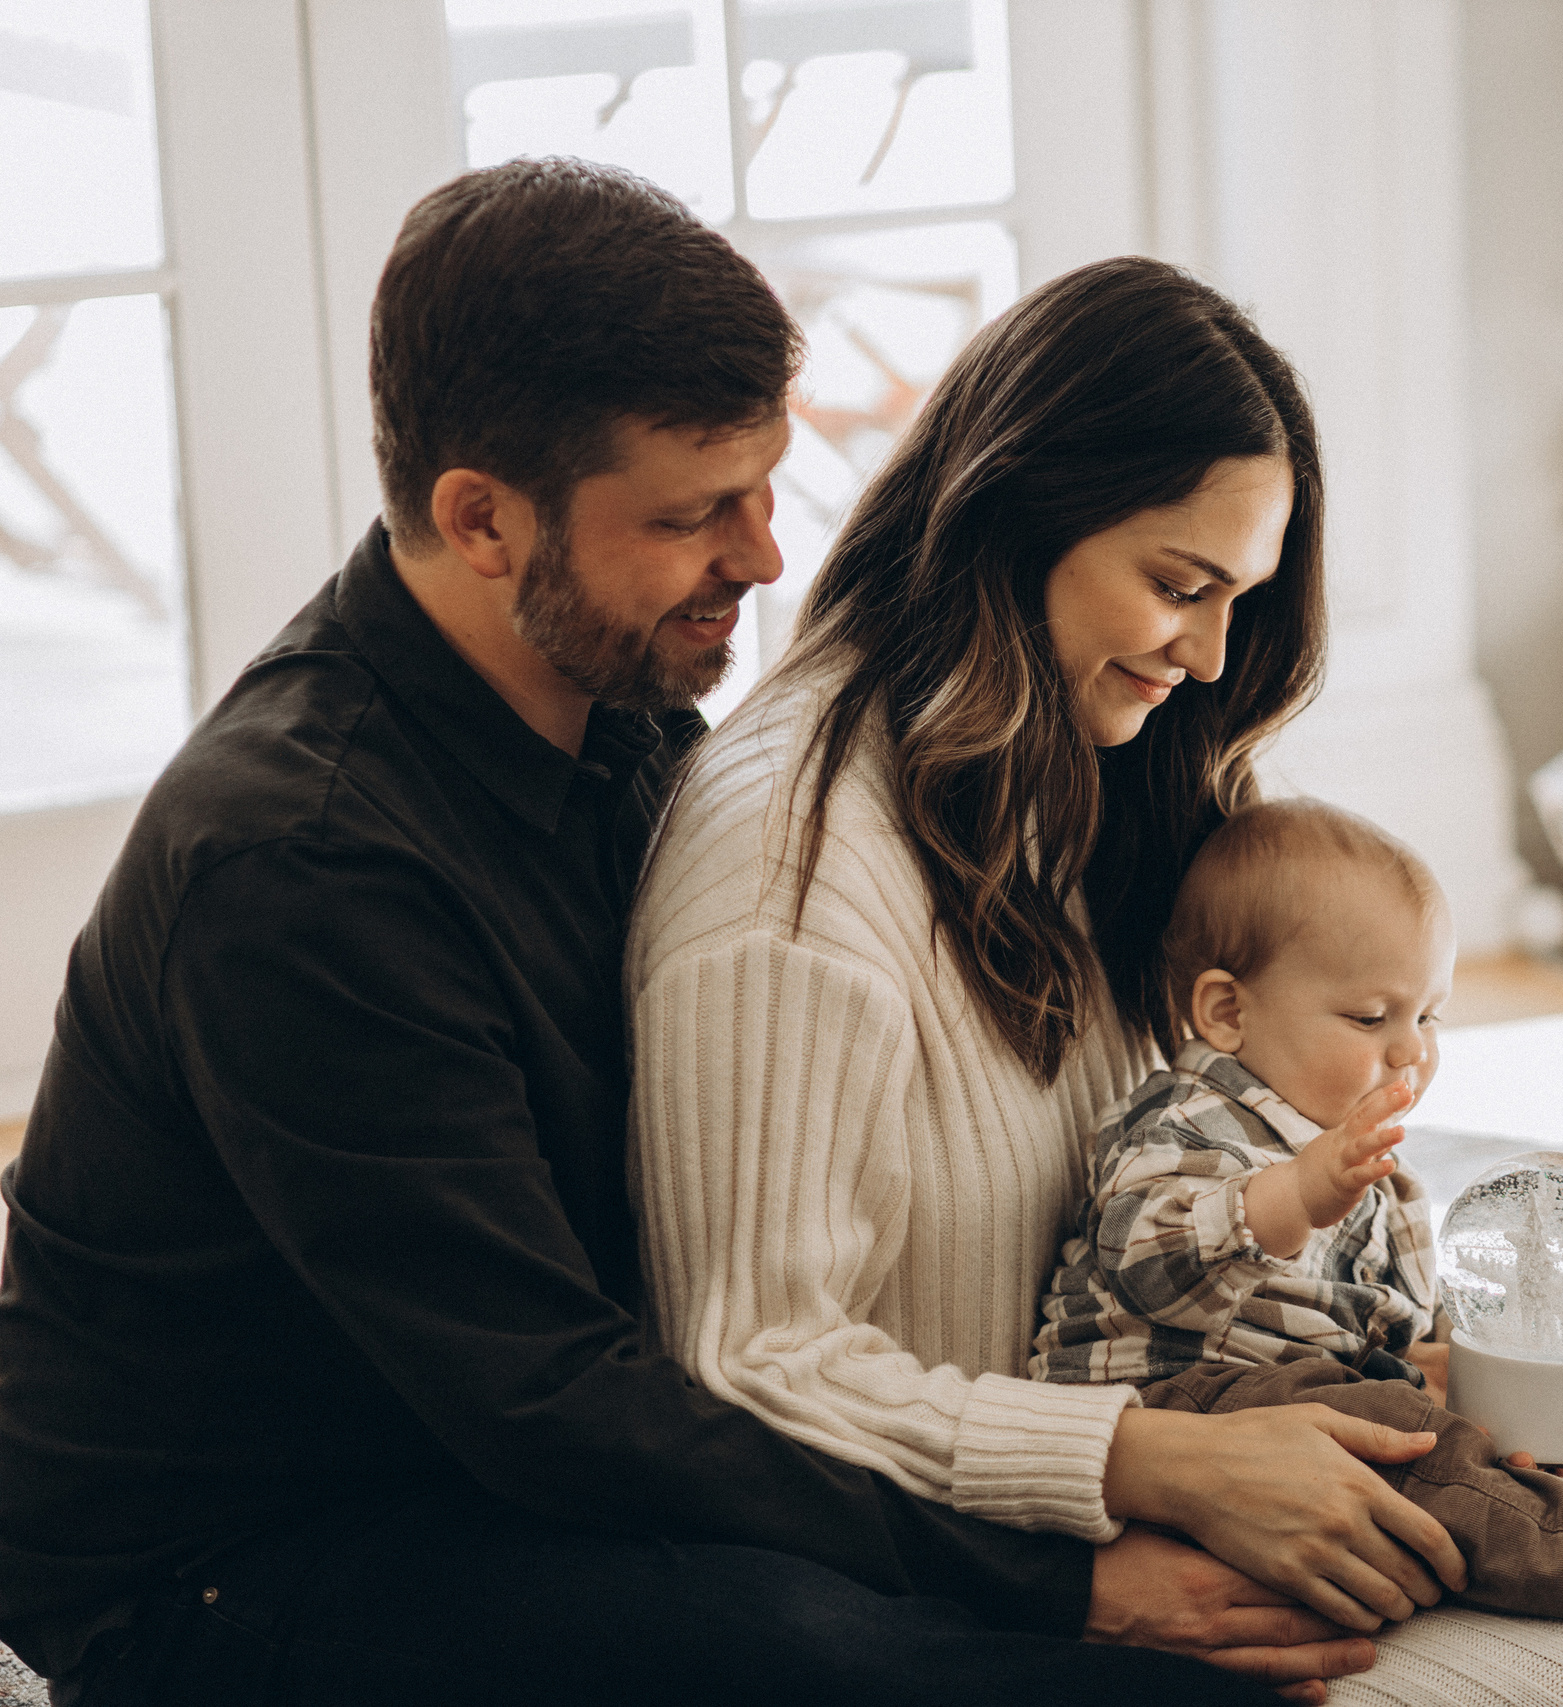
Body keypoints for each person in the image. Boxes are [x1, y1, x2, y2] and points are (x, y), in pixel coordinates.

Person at [629, 250, 1563, 1700]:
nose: (1213, 659)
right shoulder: (792, 876)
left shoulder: (1059, 763)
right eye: (1179, 583)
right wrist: (1138, 1468)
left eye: (1241, 597)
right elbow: (751, 1364)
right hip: (1004, 1519)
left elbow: (1176, 1175)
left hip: (1162, 1407)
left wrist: (1376, 1329)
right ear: (1017, 514)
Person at [0, 160, 1338, 1707]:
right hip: (232, 1549)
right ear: (481, 520)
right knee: (841, 1649)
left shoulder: (615, 710)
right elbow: (549, 1401)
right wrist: (1063, 1571)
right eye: (696, 512)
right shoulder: (302, 864)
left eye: (768, 486)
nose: (767, 557)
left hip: (483, 1452)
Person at [1030, 797, 1563, 1664]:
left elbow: (1392, 1319)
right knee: (1414, 1443)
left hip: (1305, 1398)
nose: (1410, 1050)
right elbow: (1147, 1262)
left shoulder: (1365, 1166)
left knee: (1517, 1442)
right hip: (1176, 1409)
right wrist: (1297, 1192)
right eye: (1371, 1017)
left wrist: (1478, 1374)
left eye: (1429, 1016)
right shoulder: (1188, 1119)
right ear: (1229, 1013)